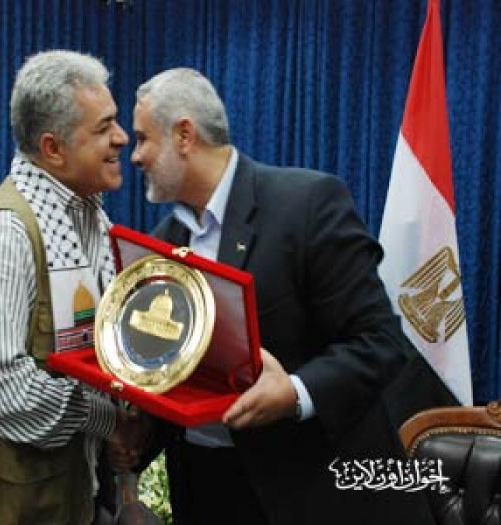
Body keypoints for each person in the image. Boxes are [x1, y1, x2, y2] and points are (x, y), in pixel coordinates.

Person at [128, 68, 446, 525]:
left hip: (310, 492)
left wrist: (295, 393)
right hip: (206, 486)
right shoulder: (164, 240)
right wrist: (140, 436)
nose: (135, 156)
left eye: (143, 139)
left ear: (184, 135)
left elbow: (380, 342)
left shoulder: (308, 203)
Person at [0, 50, 139, 525]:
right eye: (104, 127)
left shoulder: (91, 219)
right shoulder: (6, 234)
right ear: (53, 148)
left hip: (67, 492)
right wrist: (106, 418)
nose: (122, 138)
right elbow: (1, 388)